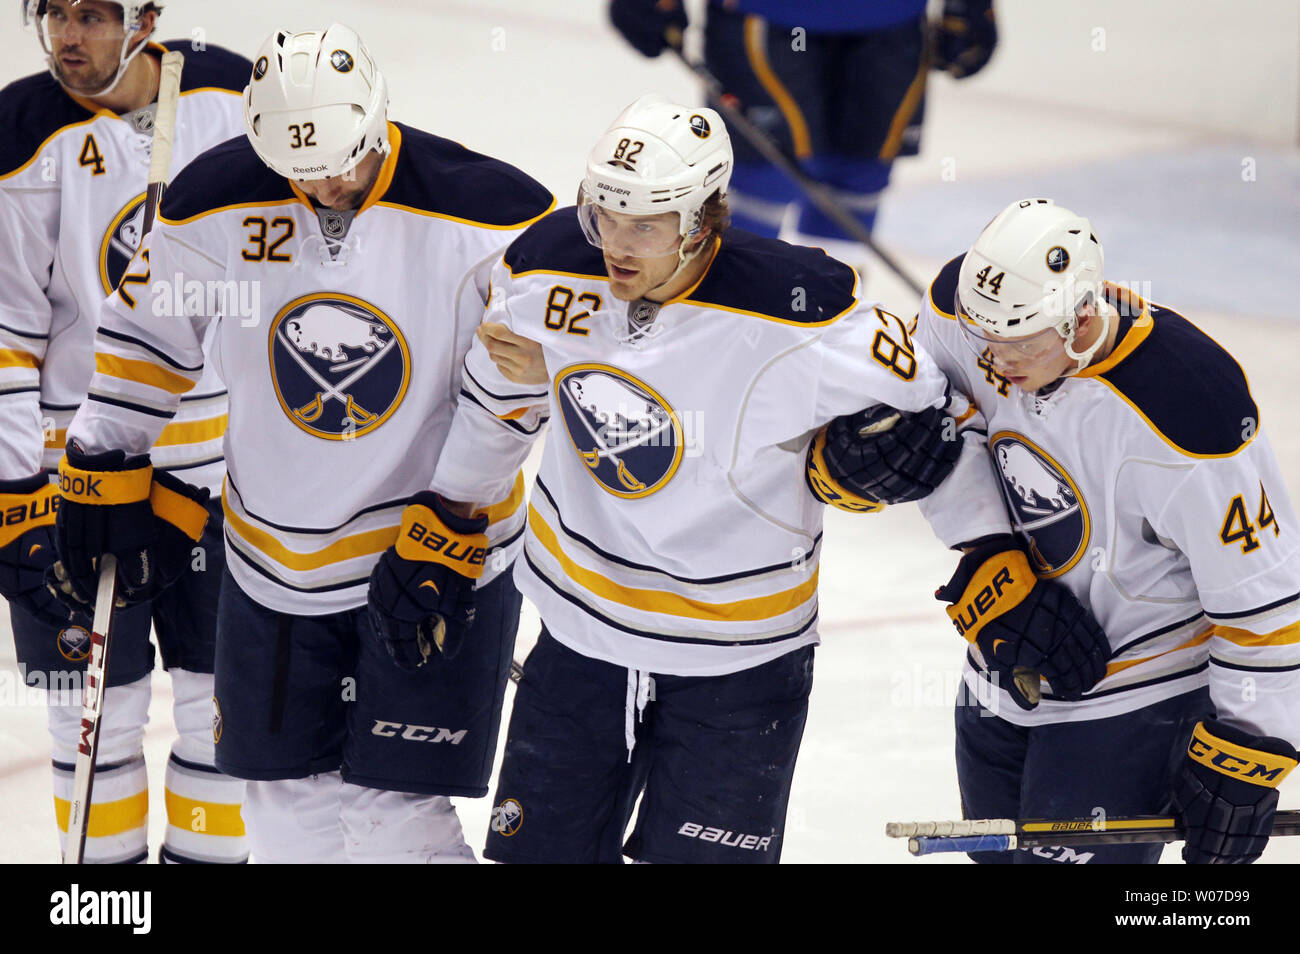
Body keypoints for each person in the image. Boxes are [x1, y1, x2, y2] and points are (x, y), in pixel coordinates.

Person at [429, 94, 1102, 863]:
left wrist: (988, 553)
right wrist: (451, 514)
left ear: (702, 218)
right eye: (602, 215)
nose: (615, 243)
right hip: (580, 635)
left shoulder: (806, 314)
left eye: (644, 224)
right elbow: (498, 402)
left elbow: (932, 424)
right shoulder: (545, 266)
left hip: (741, 659)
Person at [50, 23, 555, 863]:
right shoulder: (214, 200)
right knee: (284, 818)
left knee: (397, 823)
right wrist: (106, 454)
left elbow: (513, 387)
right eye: (297, 167)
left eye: (339, 161)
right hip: (271, 563)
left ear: (374, 117)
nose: (320, 184)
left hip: (432, 555)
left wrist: (453, 517)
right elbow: (147, 334)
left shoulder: (493, 215)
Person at [904, 197, 1300, 863]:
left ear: (1081, 318)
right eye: (984, 342)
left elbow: (1267, 602)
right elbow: (943, 423)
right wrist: (987, 548)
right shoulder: (962, 310)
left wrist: (1245, 756)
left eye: (1019, 344)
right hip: (1003, 666)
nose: (995, 363)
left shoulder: (1190, 408)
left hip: (1139, 697)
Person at [0, 0, 250, 864]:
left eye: (95, 15)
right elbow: (5, 329)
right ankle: (102, 909)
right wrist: (15, 494)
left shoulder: (236, 96)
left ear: (146, 18)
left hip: (221, 474)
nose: (70, 36)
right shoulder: (18, 130)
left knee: (223, 710)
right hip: (78, 478)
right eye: (54, 14)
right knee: (85, 714)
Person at [608, 0, 996, 248]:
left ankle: (828, 330)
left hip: (892, 19)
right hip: (763, 15)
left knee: (859, 177)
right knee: (765, 179)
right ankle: (729, 320)